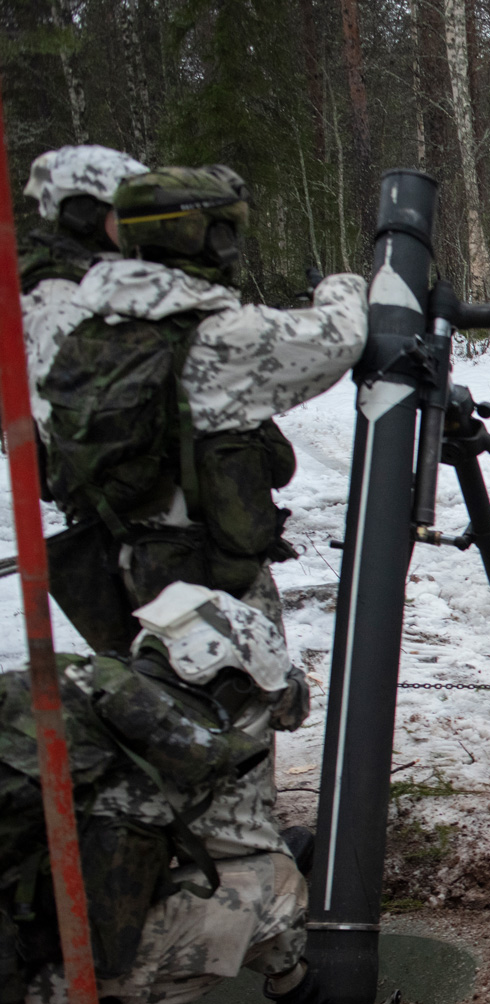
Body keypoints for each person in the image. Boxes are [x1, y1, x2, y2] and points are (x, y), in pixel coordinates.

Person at [0, 584, 338, 1004]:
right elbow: (244, 855)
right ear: (222, 680)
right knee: (274, 885)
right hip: (28, 961)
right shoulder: (175, 746)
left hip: (12, 943)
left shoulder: (56, 685)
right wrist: (298, 989)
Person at [38, 164, 367, 653]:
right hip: (205, 583)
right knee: (241, 699)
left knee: (147, 693)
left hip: (115, 565)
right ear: (202, 237)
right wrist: (342, 286)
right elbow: (342, 336)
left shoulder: (87, 325)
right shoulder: (215, 338)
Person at [19, 145, 148, 431]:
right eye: (125, 212)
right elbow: (63, 423)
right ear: (85, 214)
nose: (140, 226)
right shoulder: (59, 297)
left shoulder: (102, 279)